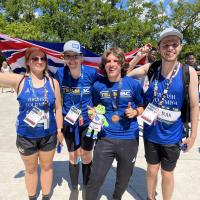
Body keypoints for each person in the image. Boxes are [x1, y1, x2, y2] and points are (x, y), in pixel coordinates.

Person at [128, 27, 199, 200]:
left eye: (174, 44)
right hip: (151, 132)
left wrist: (193, 136)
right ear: (159, 49)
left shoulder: (188, 72)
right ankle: (150, 198)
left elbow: (195, 106)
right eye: (166, 45)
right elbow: (127, 74)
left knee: (168, 173)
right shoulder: (152, 68)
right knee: (152, 170)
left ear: (180, 47)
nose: (170, 49)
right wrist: (139, 55)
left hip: (173, 135)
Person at [0, 47, 63, 200]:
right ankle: (32, 197)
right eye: (35, 58)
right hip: (26, 136)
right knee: (30, 169)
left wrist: (60, 130)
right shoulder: (19, 80)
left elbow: (59, 108)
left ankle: (46, 196)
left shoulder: (53, 83)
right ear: (28, 62)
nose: (39, 61)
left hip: (48, 134)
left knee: (47, 167)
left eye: (43, 59)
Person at [85, 47, 144, 200]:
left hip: (129, 138)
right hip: (105, 138)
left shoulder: (133, 84)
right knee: (95, 179)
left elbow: (143, 105)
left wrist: (136, 112)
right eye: (108, 61)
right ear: (104, 65)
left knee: (123, 180)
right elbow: (96, 107)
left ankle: (116, 197)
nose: (111, 64)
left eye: (115, 61)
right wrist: (93, 113)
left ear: (121, 64)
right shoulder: (98, 86)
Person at [55, 40, 100, 200]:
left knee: (86, 155)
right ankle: (74, 187)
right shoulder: (60, 74)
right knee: (73, 155)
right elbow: (56, 100)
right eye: (68, 56)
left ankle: (86, 187)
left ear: (81, 57)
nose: (72, 60)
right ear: (63, 58)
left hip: (88, 123)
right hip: (69, 122)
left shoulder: (91, 73)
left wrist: (96, 108)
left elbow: (100, 92)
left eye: (75, 56)